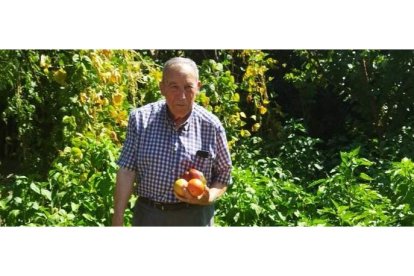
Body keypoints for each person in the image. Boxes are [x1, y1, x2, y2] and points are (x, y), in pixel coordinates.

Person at [112, 57, 232, 226]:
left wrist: (208, 197)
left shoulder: (211, 126)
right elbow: (127, 170)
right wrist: (117, 218)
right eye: (174, 87)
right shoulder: (141, 119)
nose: (181, 96)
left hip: (195, 218)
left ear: (198, 87)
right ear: (162, 88)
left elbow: (224, 174)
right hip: (149, 216)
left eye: (188, 87)